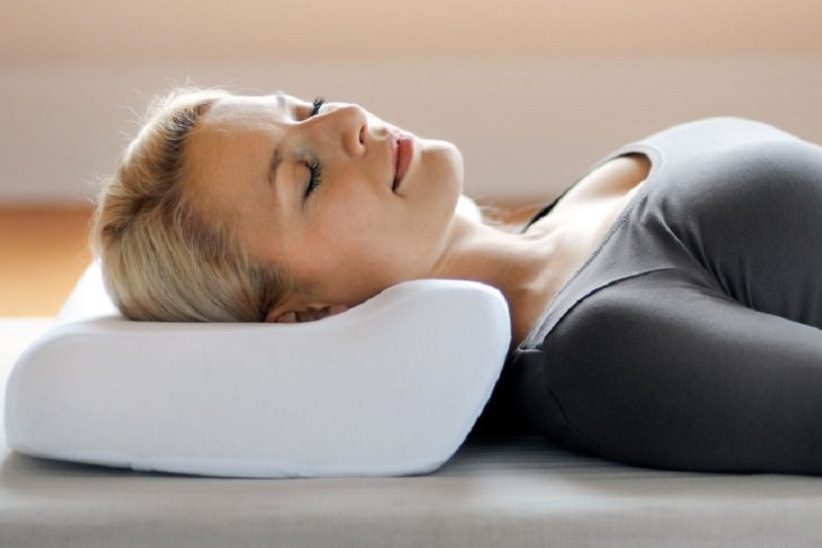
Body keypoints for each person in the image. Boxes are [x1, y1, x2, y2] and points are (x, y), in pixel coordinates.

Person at [91, 86, 822, 475]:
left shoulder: (577, 208)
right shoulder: (602, 349)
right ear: (308, 313)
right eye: (306, 175)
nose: (349, 118)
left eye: (310, 109)